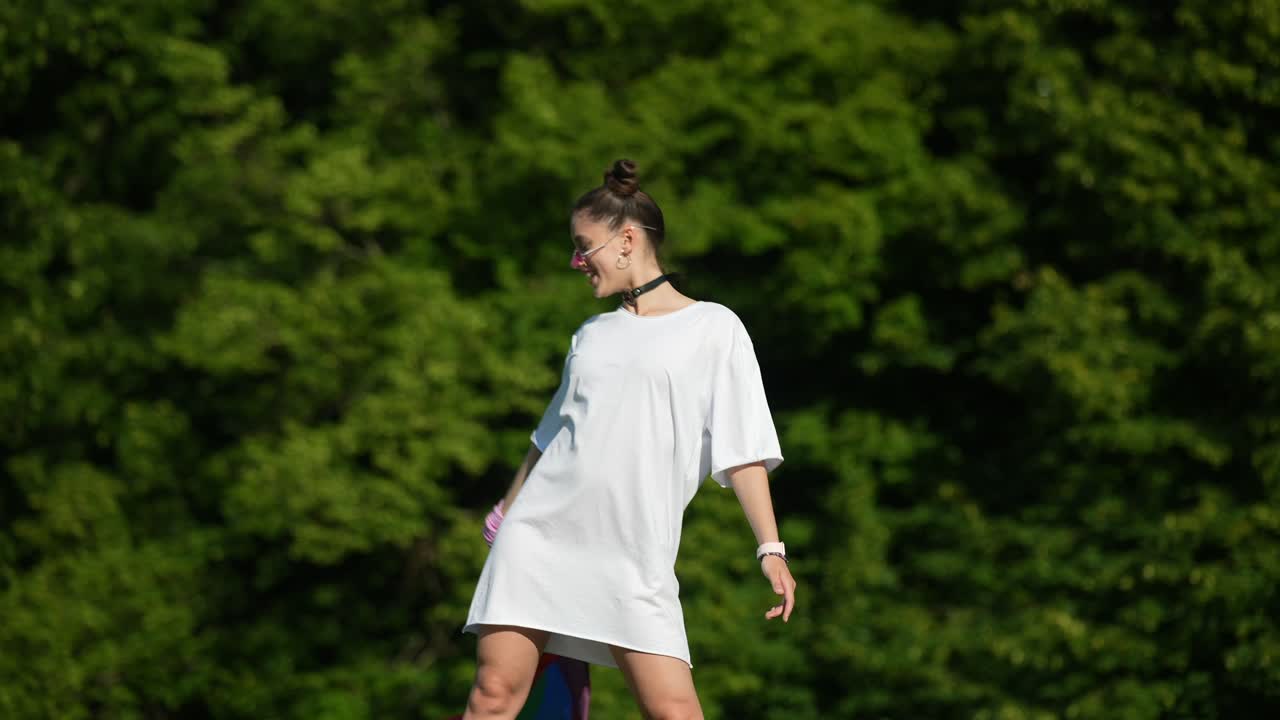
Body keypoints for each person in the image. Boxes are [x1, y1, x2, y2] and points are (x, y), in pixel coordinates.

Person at [460, 159, 796, 720]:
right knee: (493, 696)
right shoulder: (591, 334)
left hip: (631, 553)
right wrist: (505, 510)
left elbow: (744, 451)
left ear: (627, 240)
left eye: (583, 245)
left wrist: (771, 548)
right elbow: (549, 437)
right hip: (539, 537)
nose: (576, 261)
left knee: (674, 712)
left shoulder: (714, 327)